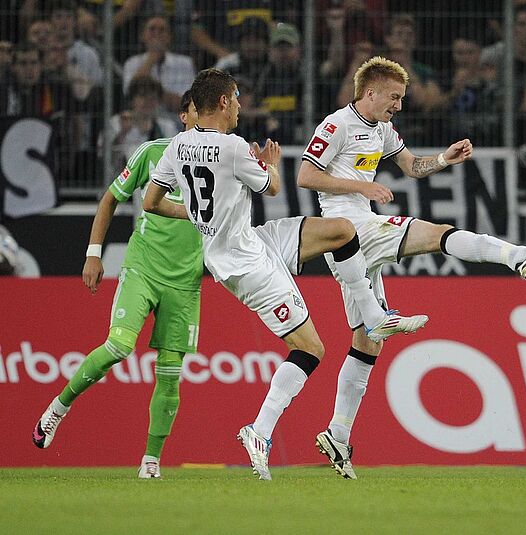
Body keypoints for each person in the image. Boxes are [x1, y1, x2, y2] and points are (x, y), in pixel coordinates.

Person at [141, 68, 427, 481]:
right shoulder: (234, 147)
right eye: (237, 99)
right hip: (246, 265)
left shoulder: (177, 146)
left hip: (252, 240)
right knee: (311, 349)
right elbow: (272, 188)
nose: (240, 106)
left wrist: (202, 218)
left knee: (342, 230)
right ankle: (259, 432)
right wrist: (270, 165)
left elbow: (151, 202)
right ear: (223, 102)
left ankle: (374, 316)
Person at [297, 56, 526, 480]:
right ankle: (519, 256)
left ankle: (337, 433)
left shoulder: (382, 129)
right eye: (394, 97)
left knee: (368, 342)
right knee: (437, 233)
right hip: (348, 227)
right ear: (370, 92)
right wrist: (362, 186)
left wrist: (444, 159)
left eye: (401, 98)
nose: (399, 106)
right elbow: (305, 175)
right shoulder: (336, 125)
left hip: (357, 237)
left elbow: (411, 166)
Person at [32, 91, 202, 479]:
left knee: (170, 373)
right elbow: (110, 199)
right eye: (199, 111)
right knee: (119, 346)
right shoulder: (153, 152)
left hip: (186, 281)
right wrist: (93, 253)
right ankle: (58, 407)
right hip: (143, 268)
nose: (205, 118)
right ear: (183, 116)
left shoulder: (223, 159)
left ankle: (151, 461)